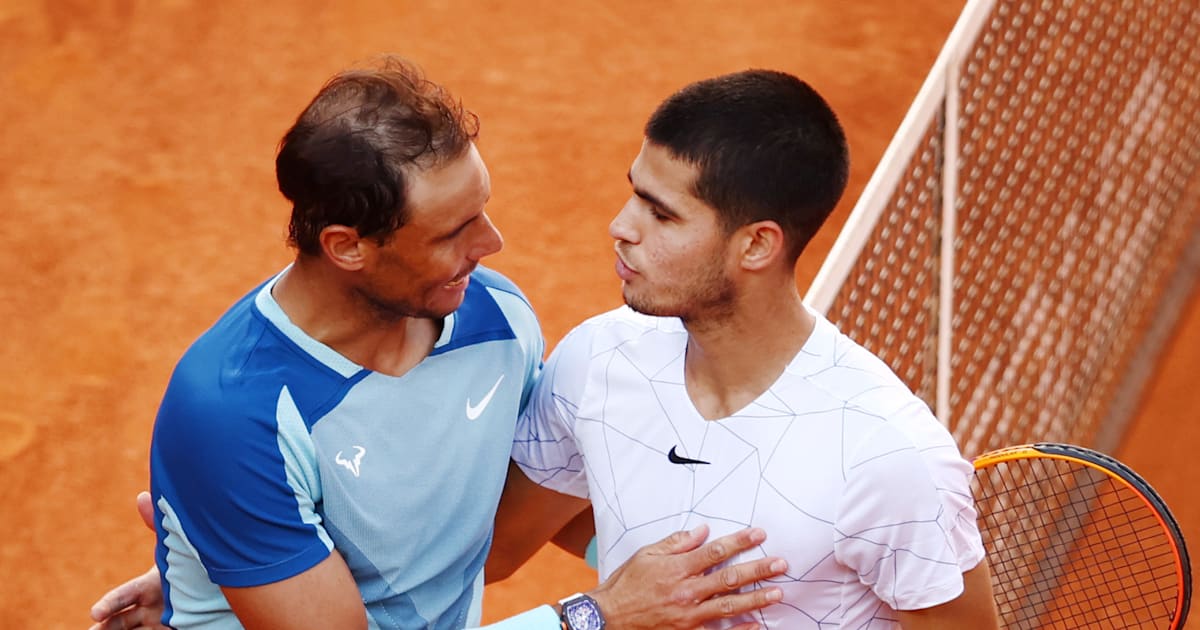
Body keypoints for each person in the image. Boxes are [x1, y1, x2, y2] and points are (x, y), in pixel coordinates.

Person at [88, 56, 788, 630]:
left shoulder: (495, 318)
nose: (492, 245)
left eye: (481, 210)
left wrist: (712, 584)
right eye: (454, 232)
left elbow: (522, 506)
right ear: (348, 248)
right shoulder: (231, 415)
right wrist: (598, 616)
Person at [489, 70, 1001, 628]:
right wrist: (660, 596)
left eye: (661, 214)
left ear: (756, 244)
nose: (621, 226)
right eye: (634, 193)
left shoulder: (887, 458)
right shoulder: (598, 360)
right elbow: (497, 550)